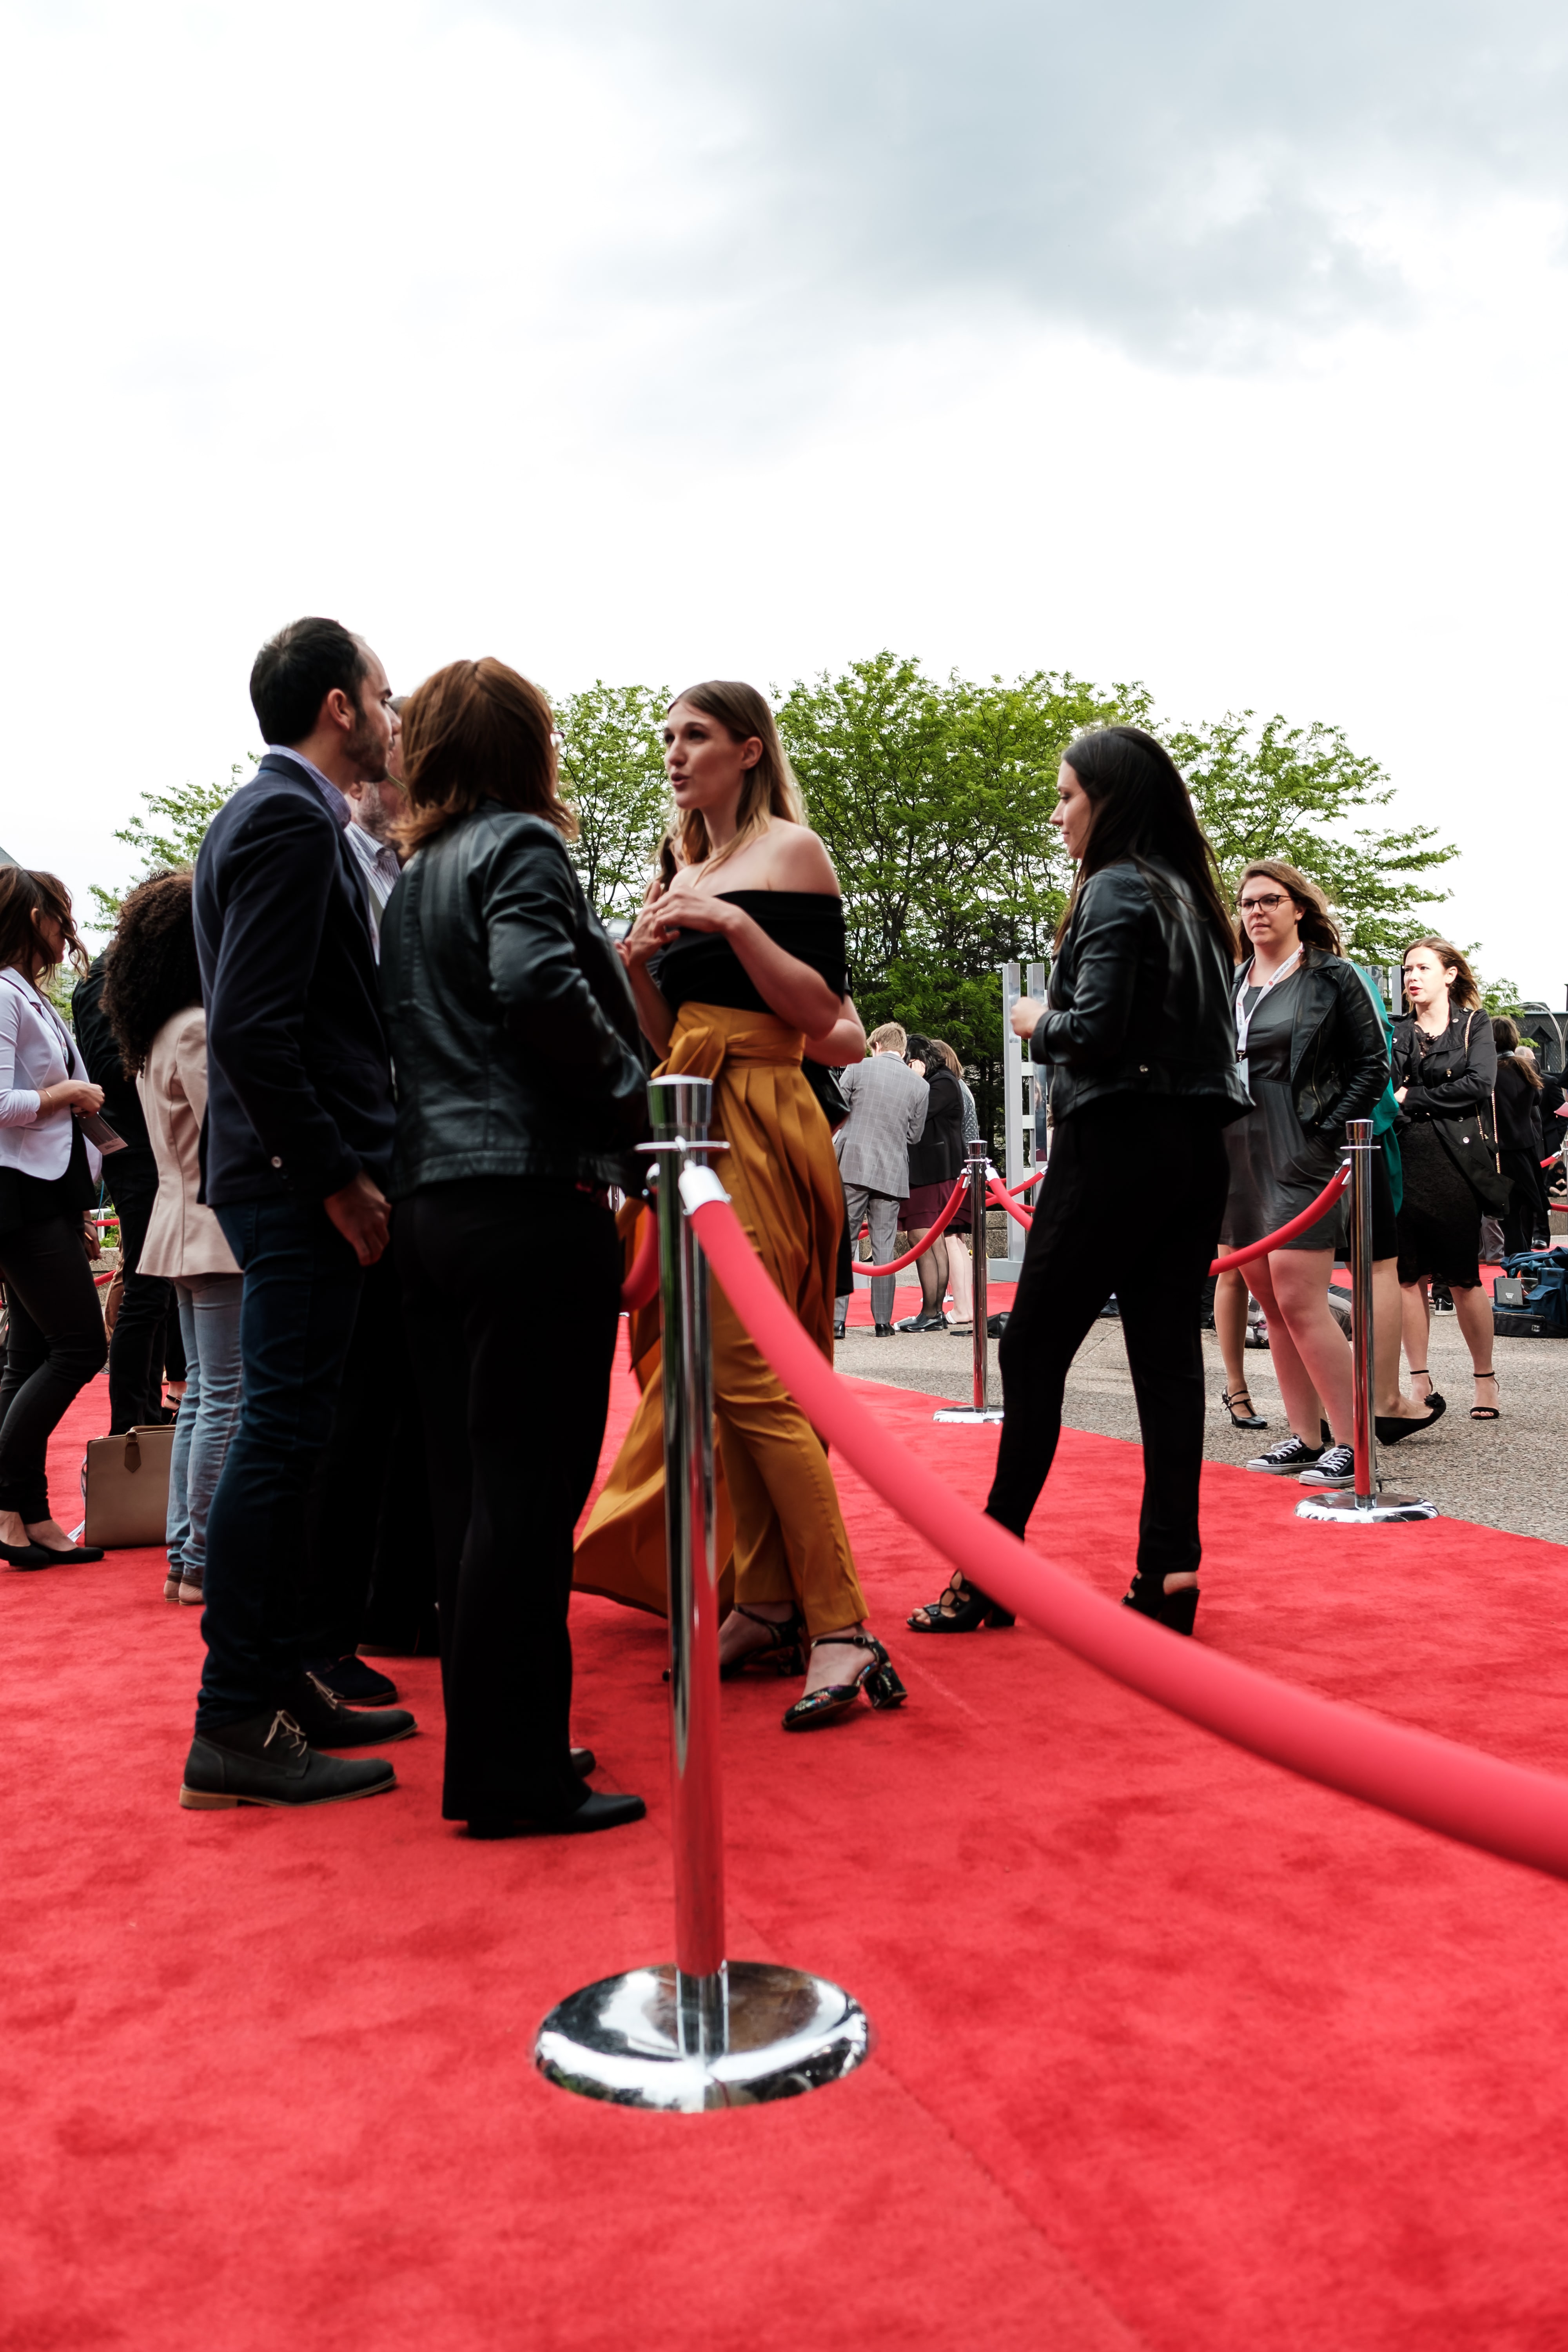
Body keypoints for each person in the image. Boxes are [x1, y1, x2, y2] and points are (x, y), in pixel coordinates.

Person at [576, 679, 907, 1730]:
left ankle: (842, 1628)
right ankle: (764, 1601)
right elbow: (662, 1031)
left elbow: (824, 1017)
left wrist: (723, 921)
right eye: (667, 737)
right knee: (710, 1375)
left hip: (764, 1115)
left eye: (697, 736)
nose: (675, 753)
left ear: (750, 750)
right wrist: (638, 969)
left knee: (758, 1372)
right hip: (688, 1117)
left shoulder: (788, 856)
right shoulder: (682, 868)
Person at [379, 659, 647, 1834]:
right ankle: (513, 1772)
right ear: (527, 746)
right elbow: (535, 980)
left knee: (472, 1498)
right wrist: (637, 1101)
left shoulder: (412, 877)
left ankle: (509, 1745)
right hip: (529, 1201)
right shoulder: (521, 849)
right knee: (527, 1499)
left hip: (433, 1207)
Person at [909, 725, 1249, 1637]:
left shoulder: (1113, 887)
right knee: (1166, 1361)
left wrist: (1032, 1017)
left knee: (1031, 1350)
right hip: (1193, 1148)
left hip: (1119, 1139)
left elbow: (1091, 1028)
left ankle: (989, 1569)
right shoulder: (1194, 901)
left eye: (1066, 797)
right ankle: (1168, 1571)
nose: (1055, 814)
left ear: (1110, 800)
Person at [178, 616, 416, 1814]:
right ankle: (235, 1714)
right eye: (381, 693)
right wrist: (337, 1173)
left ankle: (274, 1683)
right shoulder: (283, 818)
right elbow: (259, 1031)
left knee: (296, 1434)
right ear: (338, 705)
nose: (391, 712)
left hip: (285, 1174)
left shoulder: (278, 815)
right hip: (294, 1181)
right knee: (279, 1437)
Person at [298, 691, 438, 1686]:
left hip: (394, 1160)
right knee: (338, 1418)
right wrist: (337, 1176)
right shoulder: (315, 845)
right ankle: (320, 1639)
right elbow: (277, 1033)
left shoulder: (401, 868)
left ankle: (373, 1612)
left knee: (392, 1404)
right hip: (345, 1172)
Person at [1219, 862, 1416, 1486]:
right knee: (1270, 1303)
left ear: (1298, 908)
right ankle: (1305, 1437)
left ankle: (1356, 1444)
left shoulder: (1334, 977)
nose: (1257, 912)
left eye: (1270, 900)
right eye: (1248, 902)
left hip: (1302, 1144)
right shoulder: (1233, 981)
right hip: (1237, 1146)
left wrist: (1325, 1136)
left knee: (1302, 1300)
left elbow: (1372, 1065)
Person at [103, 870, 243, 1607]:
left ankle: (187, 1552)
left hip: (184, 1221)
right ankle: (196, 1555)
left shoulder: (162, 1027)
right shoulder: (193, 1026)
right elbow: (229, 1123)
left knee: (200, 1398)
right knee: (223, 1393)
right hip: (215, 1225)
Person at [0, 868, 109, 1568]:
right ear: (35, 914)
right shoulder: (4, 994)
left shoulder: (26, 993)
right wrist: (66, 1092)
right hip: (20, 1194)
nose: (67, 925)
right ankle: (11, 1504)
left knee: (33, 1354)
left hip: (42, 1190)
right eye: (61, 912)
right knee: (80, 1346)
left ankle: (26, 1518)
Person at [1392, 940, 1503, 1421]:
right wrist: (1418, 1095)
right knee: (1406, 1278)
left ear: (1450, 974)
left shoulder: (1475, 1025)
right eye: (1406, 970)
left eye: (1422, 968)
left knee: (1462, 1278)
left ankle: (1485, 1378)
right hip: (1402, 1160)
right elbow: (1381, 1089)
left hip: (1455, 1164)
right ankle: (1419, 1381)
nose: (1411, 978)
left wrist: (1412, 1096)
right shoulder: (1396, 1031)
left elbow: (1478, 1083)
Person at [73, 941, 179, 1434]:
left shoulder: (138, 973)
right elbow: (108, 1069)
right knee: (145, 1286)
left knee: (158, 1288)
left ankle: (150, 1417)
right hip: (133, 1150)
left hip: (155, 1146)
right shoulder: (107, 977)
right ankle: (128, 1431)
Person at [831, 1019, 928, 1338]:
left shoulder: (857, 1068)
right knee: (885, 1248)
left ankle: (837, 1321)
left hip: (853, 1164)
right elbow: (915, 1136)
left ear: (876, 1045)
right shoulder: (920, 1086)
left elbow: (836, 1110)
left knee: (843, 1242)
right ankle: (883, 1323)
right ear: (902, 1050)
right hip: (892, 1170)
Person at [896, 1031, 965, 1333]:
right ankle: (933, 1311)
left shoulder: (943, 1083)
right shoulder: (941, 1082)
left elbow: (915, 1113)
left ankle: (931, 1311)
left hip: (934, 1172)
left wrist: (914, 1080)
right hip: (930, 1171)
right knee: (928, 1239)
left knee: (922, 1237)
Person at [925, 1037, 976, 1328]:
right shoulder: (962, 1088)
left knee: (950, 1239)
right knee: (958, 1240)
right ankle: (965, 1305)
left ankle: (961, 1307)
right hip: (969, 1169)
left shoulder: (950, 1088)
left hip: (958, 1171)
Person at [1494, 1018, 1548, 1259]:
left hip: (1500, 1153)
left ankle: (1519, 1272)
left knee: (1510, 1220)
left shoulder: (1488, 1071)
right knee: (1519, 1216)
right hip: (1526, 1150)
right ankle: (1525, 1270)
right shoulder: (1526, 1068)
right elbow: (1536, 1101)